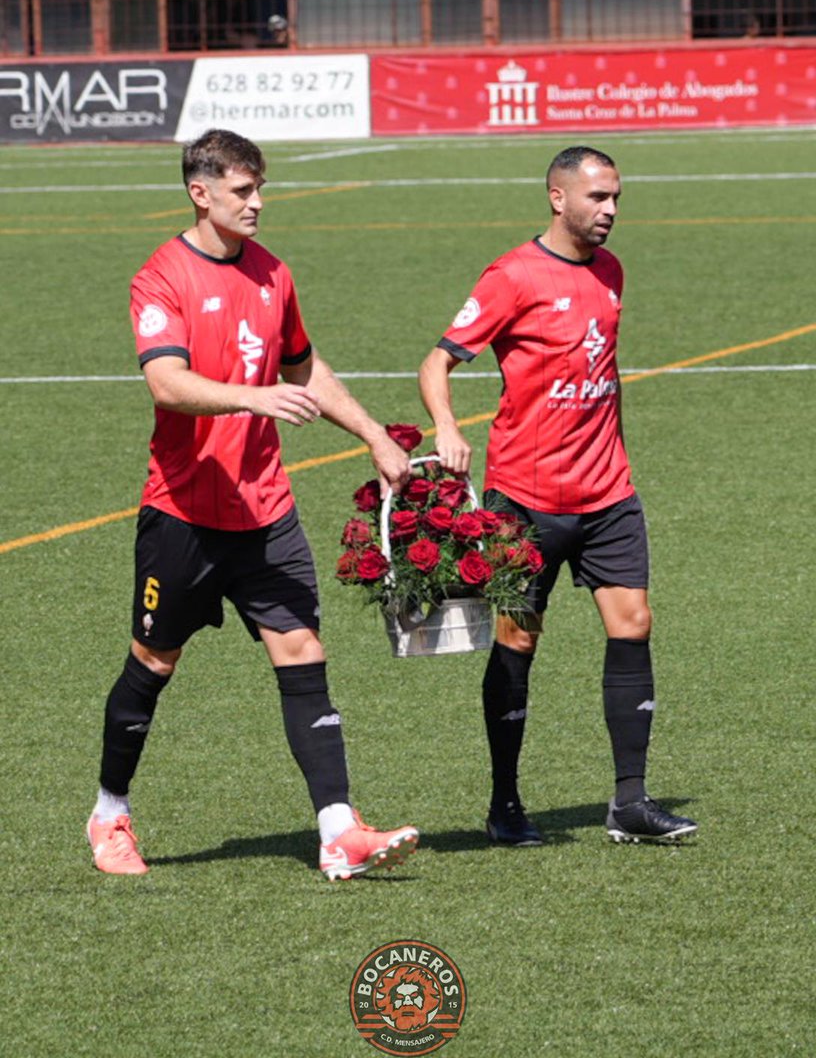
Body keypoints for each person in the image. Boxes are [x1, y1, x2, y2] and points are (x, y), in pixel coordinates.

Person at [86, 128, 419, 880]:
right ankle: (110, 813)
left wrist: (371, 431)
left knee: (303, 652)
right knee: (153, 662)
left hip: (266, 512)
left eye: (260, 188)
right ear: (200, 193)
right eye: (242, 191)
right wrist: (252, 397)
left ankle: (338, 831)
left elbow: (305, 366)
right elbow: (167, 383)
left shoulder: (274, 274)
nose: (258, 203)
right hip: (182, 515)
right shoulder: (160, 277)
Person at [418, 145, 697, 846]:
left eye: (616, 199)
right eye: (598, 197)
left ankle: (630, 802)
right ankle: (505, 804)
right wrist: (448, 427)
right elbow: (438, 360)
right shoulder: (512, 276)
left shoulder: (611, 271)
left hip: (608, 494)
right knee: (519, 639)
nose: (609, 211)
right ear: (558, 197)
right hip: (528, 498)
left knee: (633, 623)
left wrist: (622, 456)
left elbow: (608, 371)